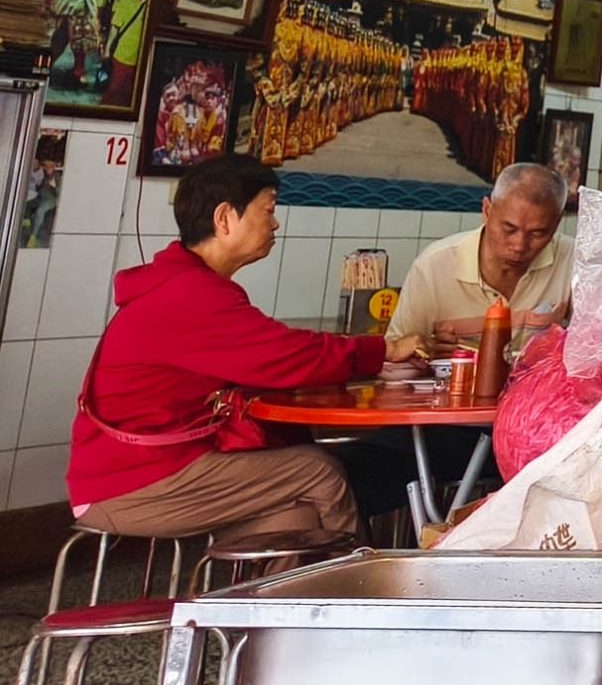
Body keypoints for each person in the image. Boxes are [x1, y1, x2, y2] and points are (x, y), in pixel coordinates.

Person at [69, 155, 425, 549]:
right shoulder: (191, 294)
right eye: (268, 210)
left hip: (141, 468)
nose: (275, 223)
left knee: (296, 519)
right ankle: (355, 593)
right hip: (132, 479)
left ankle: (277, 608)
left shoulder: (180, 283)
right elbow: (286, 355)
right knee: (319, 469)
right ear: (225, 219)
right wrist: (385, 349)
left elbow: (270, 350)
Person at [392, 162, 571, 356]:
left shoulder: (574, 260)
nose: (519, 245)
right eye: (509, 229)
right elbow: (395, 353)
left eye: (537, 233)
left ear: (556, 224)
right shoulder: (433, 268)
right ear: (487, 211)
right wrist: (425, 349)